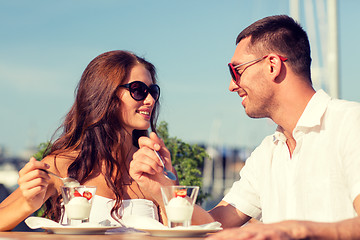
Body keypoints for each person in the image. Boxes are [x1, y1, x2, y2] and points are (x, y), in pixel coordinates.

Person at [129, 15, 360, 239]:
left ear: (272, 65)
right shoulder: (268, 152)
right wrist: (164, 186)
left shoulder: (350, 123)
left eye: (236, 70)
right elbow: (214, 225)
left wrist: (294, 230)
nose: (231, 85)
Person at [0, 50, 177, 231]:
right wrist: (27, 205)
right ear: (105, 93)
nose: (150, 100)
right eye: (138, 90)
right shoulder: (61, 166)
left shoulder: (155, 167)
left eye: (153, 91)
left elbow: (179, 230)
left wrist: (165, 190)